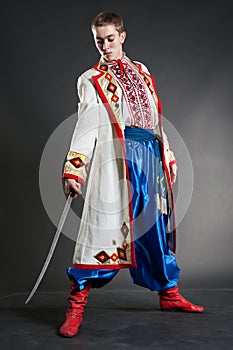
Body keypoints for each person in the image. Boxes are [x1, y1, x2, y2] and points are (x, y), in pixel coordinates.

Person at [59, 11, 204, 338]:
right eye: (99, 41)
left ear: (122, 36)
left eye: (110, 39)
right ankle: (76, 304)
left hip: (149, 157)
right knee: (104, 230)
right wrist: (75, 170)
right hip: (117, 159)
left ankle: (169, 294)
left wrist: (166, 154)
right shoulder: (91, 80)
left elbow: (153, 118)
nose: (105, 46)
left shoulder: (142, 71)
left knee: (153, 228)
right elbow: (86, 127)